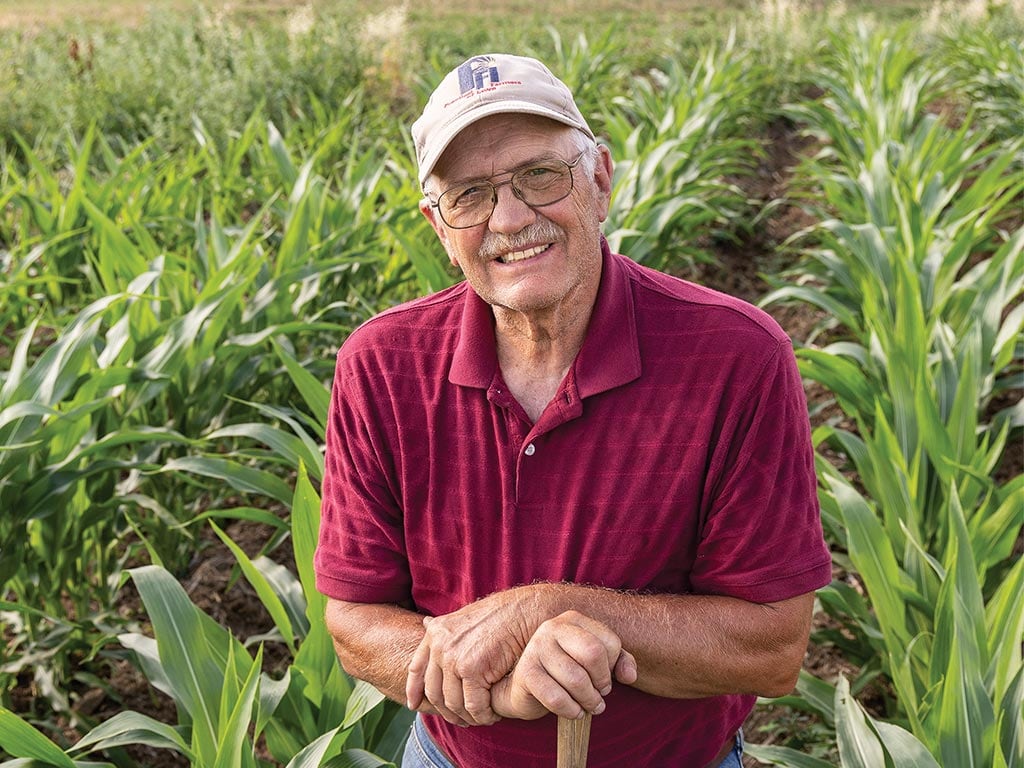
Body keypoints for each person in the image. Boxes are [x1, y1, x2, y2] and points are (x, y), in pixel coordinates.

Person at [314, 52, 832, 768]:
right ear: (439, 227)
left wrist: (557, 611)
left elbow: (773, 650)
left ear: (600, 181)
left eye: (540, 175)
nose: (511, 217)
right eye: (469, 195)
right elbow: (354, 621)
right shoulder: (380, 365)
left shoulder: (736, 358)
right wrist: (500, 683)